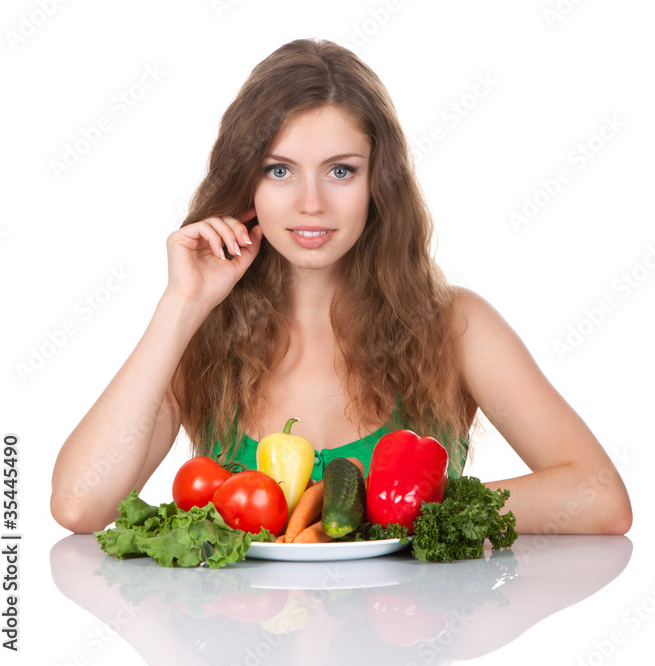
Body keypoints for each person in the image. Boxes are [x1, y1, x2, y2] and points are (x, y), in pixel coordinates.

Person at [50, 38, 632, 536]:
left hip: (407, 640)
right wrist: (182, 305)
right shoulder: (201, 335)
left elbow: (599, 498)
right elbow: (80, 504)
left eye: (341, 170)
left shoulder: (455, 325)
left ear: (379, 181)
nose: (310, 204)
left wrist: (409, 512)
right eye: (279, 170)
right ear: (246, 182)